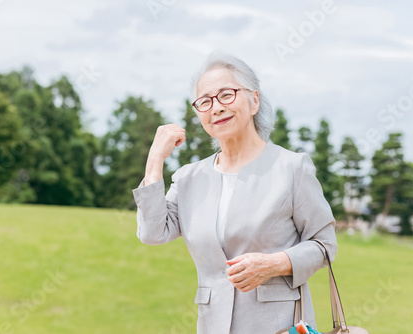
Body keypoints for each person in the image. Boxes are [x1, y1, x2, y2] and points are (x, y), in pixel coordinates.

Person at [132, 52, 337, 334]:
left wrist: (273, 264)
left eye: (226, 95)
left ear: (254, 101)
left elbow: (325, 245)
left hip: (278, 326)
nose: (216, 108)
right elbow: (152, 233)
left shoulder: (291, 167)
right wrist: (155, 159)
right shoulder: (189, 177)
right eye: (205, 101)